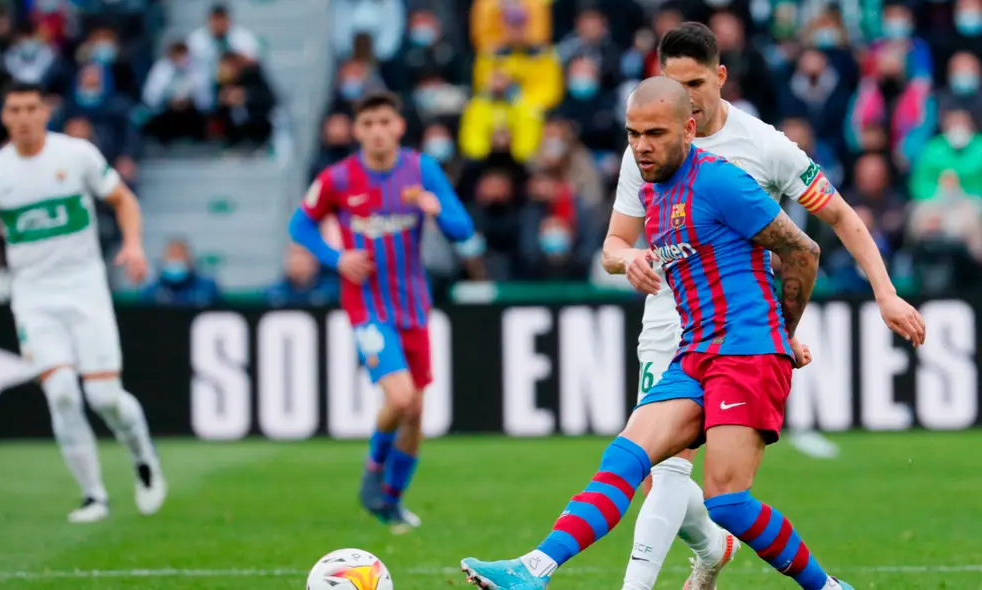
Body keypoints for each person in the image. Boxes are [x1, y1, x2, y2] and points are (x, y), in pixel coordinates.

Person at [460, 76, 854, 590]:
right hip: (696, 353)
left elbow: (802, 250)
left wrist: (782, 334)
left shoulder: (722, 181)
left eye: (656, 133)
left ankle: (826, 587)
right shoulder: (653, 191)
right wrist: (630, 259)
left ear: (689, 129)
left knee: (728, 503)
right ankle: (534, 569)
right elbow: (614, 248)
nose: (643, 145)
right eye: (633, 134)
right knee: (626, 457)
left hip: (748, 353)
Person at [611, 23, 927, 590]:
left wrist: (883, 292)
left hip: (737, 334)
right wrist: (626, 257)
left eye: (697, 83)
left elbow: (840, 219)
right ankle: (711, 547)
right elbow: (614, 241)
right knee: (662, 470)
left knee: (680, 475)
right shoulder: (645, 147)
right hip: (667, 324)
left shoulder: (765, 146)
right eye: (674, 83)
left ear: (720, 77)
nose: (688, 97)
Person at [288, 91, 480, 532]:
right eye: (368, 123)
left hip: (414, 306)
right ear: (357, 131)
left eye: (384, 122)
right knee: (400, 397)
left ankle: (391, 501)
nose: (377, 130)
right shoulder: (339, 178)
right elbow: (299, 225)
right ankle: (373, 473)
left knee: (415, 411)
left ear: (398, 127)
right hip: (368, 308)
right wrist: (336, 258)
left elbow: (463, 230)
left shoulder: (421, 170)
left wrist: (436, 210)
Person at [0, 82, 166, 523]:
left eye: (31, 107)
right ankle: (94, 495)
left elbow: (123, 199)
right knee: (62, 393)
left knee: (104, 396)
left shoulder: (76, 155)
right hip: (32, 296)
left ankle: (144, 460)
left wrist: (134, 246)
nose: (24, 116)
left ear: (46, 111)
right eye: (15, 110)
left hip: (85, 288)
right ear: (4, 117)